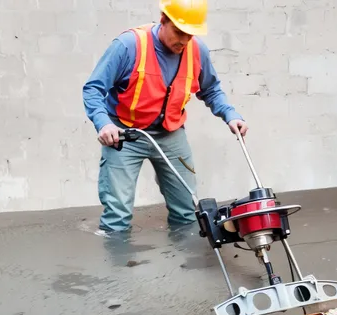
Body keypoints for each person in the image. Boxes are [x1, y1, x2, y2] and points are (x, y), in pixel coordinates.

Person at [82, 0, 248, 235]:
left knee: (188, 211)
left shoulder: (197, 50)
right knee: (117, 216)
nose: (183, 41)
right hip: (125, 134)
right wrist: (103, 123)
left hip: (171, 134)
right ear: (163, 20)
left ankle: (182, 266)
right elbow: (93, 88)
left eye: (190, 35)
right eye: (179, 32)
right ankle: (115, 268)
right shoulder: (129, 45)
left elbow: (210, 89)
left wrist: (230, 115)